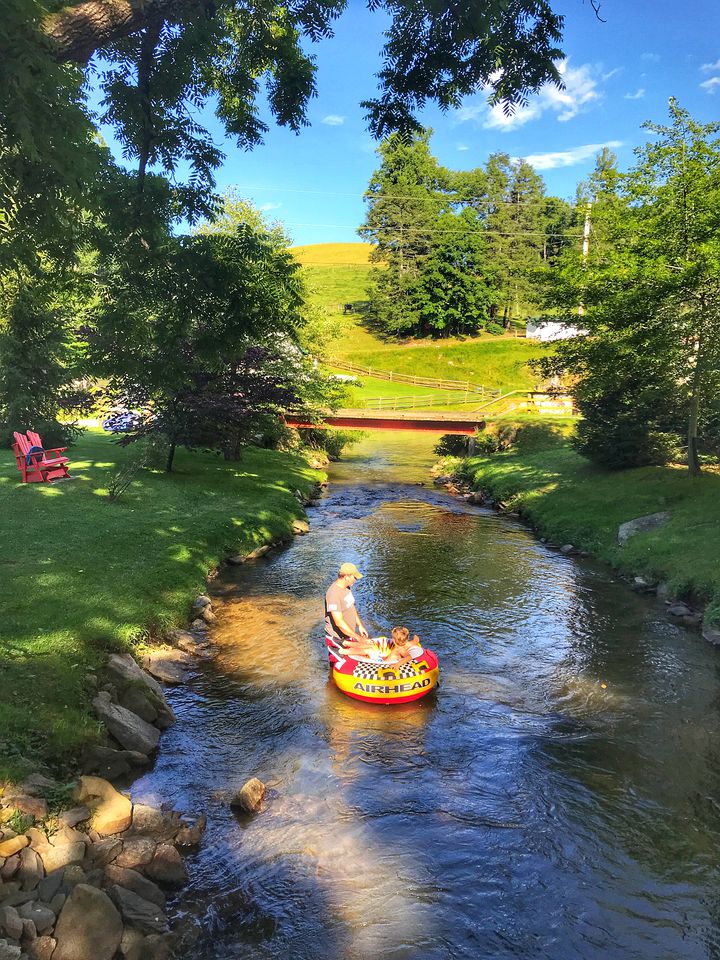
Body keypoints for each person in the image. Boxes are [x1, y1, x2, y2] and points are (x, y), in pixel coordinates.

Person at [324, 562, 369, 660]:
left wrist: (360, 625)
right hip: (336, 639)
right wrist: (358, 638)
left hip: (348, 634)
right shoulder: (333, 594)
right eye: (355, 577)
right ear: (346, 577)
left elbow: (351, 607)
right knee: (337, 668)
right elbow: (339, 622)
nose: (356, 580)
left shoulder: (347, 588)